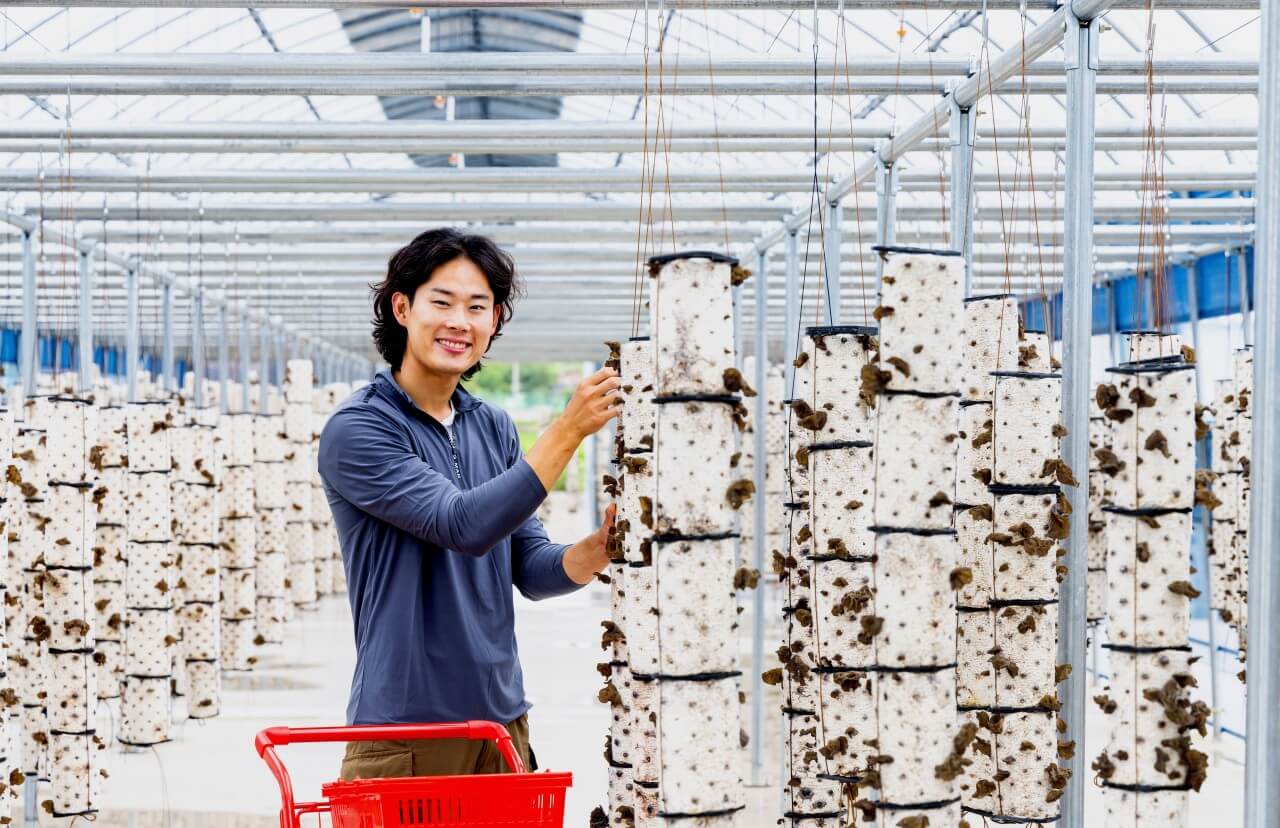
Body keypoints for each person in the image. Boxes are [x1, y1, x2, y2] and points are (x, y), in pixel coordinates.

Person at [318, 227, 621, 780]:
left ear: (494, 322)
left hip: (502, 728)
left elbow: (530, 567)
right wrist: (567, 432)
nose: (460, 321)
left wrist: (598, 549)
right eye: (443, 302)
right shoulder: (359, 429)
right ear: (402, 307)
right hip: (407, 734)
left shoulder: (493, 427)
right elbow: (462, 524)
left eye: (478, 306)